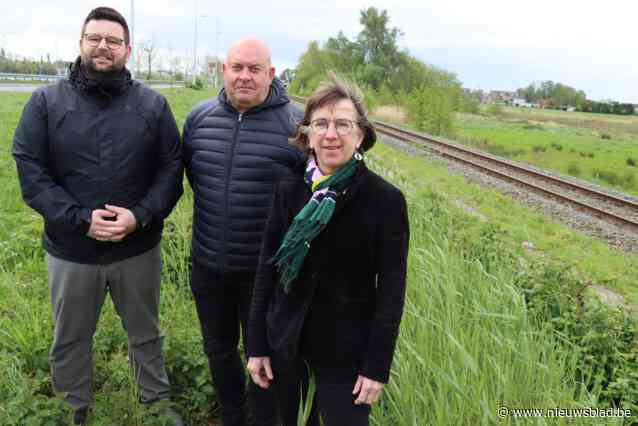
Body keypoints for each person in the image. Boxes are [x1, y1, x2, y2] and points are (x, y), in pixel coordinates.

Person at [12, 7, 183, 425]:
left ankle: (156, 407)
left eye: (112, 40)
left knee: (145, 335)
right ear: (81, 43)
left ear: (128, 49)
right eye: (95, 38)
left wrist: (139, 217)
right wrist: (80, 219)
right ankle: (72, 410)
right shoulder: (46, 102)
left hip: (137, 249)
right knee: (70, 339)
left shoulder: (153, 105)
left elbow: (171, 168)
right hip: (71, 250)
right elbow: (30, 171)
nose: (103, 47)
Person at [246, 74, 410, 426]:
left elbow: (392, 292)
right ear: (307, 133)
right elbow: (267, 270)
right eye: (320, 124)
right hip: (286, 344)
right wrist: (257, 344)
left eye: (342, 124)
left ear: (361, 134)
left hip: (347, 355)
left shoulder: (385, 201)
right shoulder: (288, 190)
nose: (331, 134)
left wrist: (376, 366)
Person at [182, 38, 304, 426]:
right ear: (224, 71)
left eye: (255, 69)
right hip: (208, 265)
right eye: (237, 67)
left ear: (272, 74)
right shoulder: (198, 120)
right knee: (217, 349)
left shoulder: (297, 126)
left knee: (264, 354)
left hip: (264, 274)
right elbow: (184, 180)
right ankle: (232, 415)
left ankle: (263, 418)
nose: (245, 76)